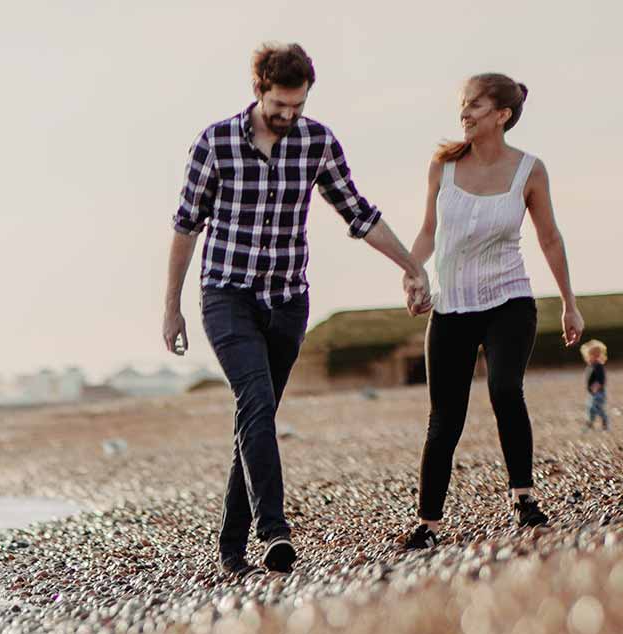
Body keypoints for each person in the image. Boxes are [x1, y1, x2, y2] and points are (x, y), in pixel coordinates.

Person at [165, 41, 431, 575]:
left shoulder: (316, 142)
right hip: (226, 294)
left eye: (298, 107)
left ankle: (231, 550)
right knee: (256, 401)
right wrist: (171, 307)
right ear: (258, 89)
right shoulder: (215, 143)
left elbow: (358, 212)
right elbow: (186, 224)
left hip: (287, 300)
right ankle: (274, 533)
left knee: (255, 415)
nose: (288, 117)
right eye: (279, 107)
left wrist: (410, 265)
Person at [396, 73, 584, 553]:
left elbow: (550, 238)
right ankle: (428, 523)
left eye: (475, 105)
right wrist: (413, 272)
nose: (465, 113)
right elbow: (427, 231)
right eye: (462, 104)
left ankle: (523, 498)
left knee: (504, 388)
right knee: (445, 418)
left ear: (501, 115)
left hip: (509, 300)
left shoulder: (529, 171)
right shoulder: (443, 166)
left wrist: (569, 304)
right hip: (453, 306)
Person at [582, 338, 611, 430]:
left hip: (599, 393)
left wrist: (597, 386)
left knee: (595, 408)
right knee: (591, 409)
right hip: (592, 393)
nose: (587, 358)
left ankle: (604, 420)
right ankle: (590, 423)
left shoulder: (598, 366)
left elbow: (601, 379)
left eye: (589, 355)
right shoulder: (591, 366)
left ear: (596, 355)